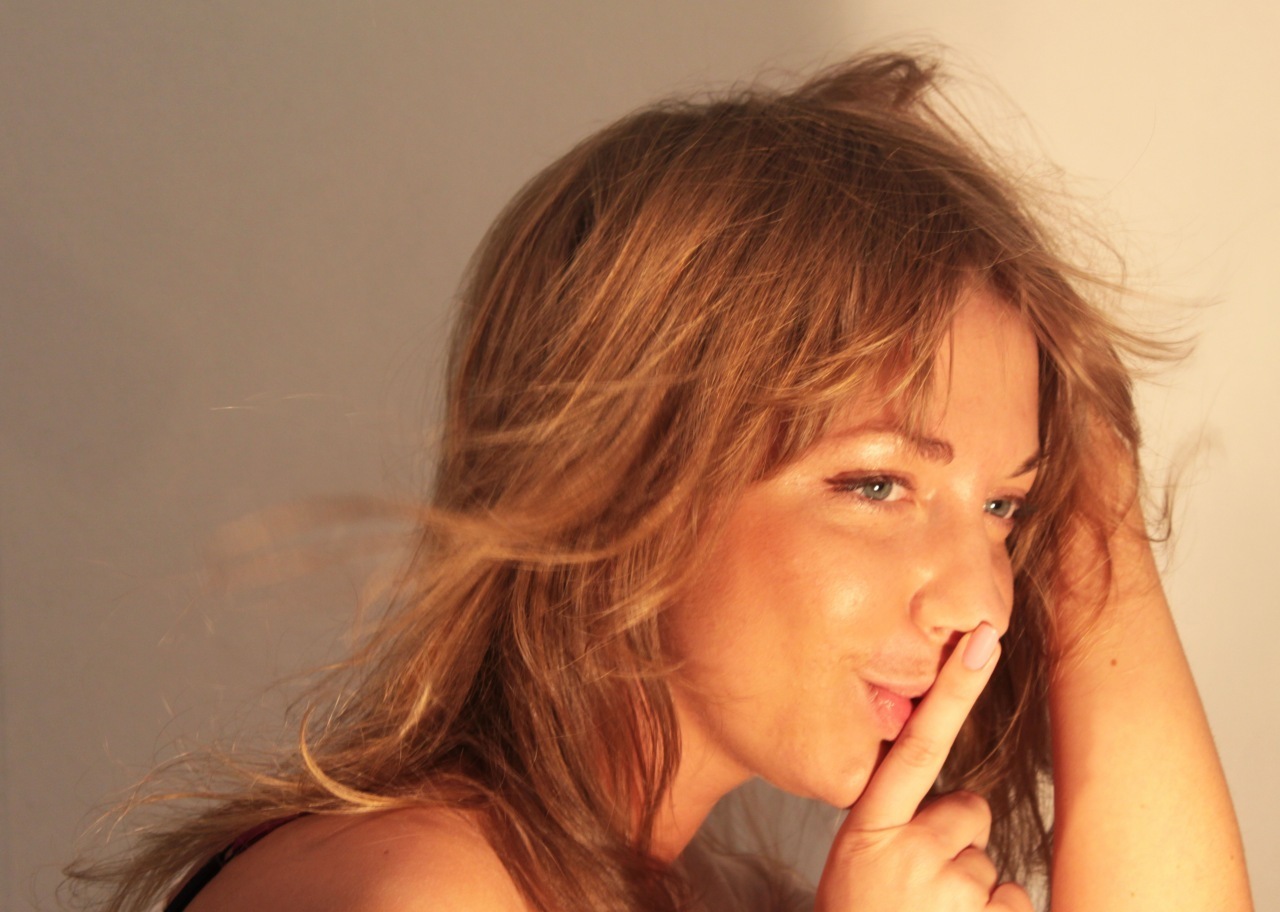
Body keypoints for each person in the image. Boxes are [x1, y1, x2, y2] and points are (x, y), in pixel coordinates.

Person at [65, 51, 1253, 912]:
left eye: (1002, 509)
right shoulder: (409, 892)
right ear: (627, 471)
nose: (981, 600)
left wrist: (1088, 465)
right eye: (876, 485)